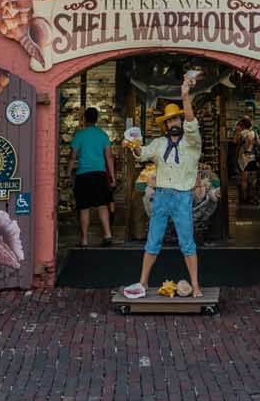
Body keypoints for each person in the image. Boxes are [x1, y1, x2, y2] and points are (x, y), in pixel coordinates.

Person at [123, 66, 204, 299]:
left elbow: (191, 122)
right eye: (170, 120)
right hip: (161, 195)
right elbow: (142, 153)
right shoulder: (159, 144)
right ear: (166, 125)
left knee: (187, 242)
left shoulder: (192, 143)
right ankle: (142, 282)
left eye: (177, 118)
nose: (175, 123)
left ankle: (195, 285)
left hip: (182, 196)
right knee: (153, 241)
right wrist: (133, 144)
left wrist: (185, 95)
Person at [69, 107, 114, 246]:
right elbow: (109, 157)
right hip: (100, 174)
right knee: (102, 205)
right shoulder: (102, 135)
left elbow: (72, 157)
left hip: (83, 175)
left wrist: (67, 173)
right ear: (97, 119)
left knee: (84, 207)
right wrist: (112, 176)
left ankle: (84, 240)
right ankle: (108, 235)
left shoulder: (79, 135)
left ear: (84, 119)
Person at [235, 117, 260, 203]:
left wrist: (237, 131)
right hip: (252, 157)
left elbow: (235, 142)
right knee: (253, 179)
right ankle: (253, 197)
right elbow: (258, 145)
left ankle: (244, 198)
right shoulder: (253, 133)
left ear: (242, 125)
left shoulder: (242, 133)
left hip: (244, 158)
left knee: (244, 179)